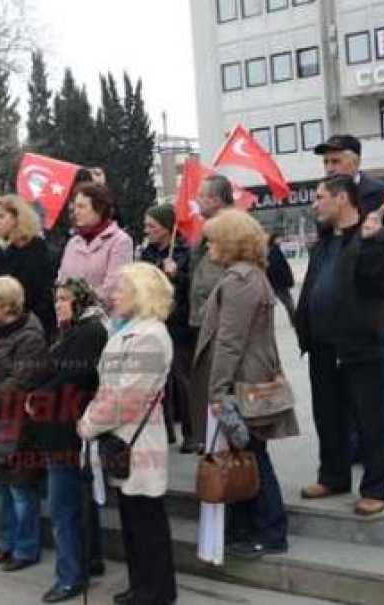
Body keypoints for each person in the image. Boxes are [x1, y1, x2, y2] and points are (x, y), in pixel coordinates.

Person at [295, 175, 384, 516]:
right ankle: (333, 476)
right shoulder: (325, 242)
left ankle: (376, 487)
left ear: (342, 199)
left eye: (320, 197)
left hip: (360, 346)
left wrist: (373, 243)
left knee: (372, 418)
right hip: (323, 347)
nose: (314, 204)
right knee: (328, 415)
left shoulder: (372, 238)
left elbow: (380, 286)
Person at [196, 210, 299, 558]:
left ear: (230, 241)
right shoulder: (250, 275)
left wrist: (216, 391)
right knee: (246, 452)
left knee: (251, 454)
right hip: (250, 378)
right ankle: (246, 529)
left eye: (213, 238)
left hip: (242, 382)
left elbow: (230, 341)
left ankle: (270, 531)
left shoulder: (239, 280)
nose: (208, 244)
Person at [78, 262, 176, 605]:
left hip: (137, 437)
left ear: (140, 294)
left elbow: (129, 397)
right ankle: (141, 586)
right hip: (122, 438)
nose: (113, 295)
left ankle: (157, 592)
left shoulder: (150, 335)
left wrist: (89, 422)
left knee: (147, 522)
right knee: (133, 521)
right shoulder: (128, 330)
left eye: (121, 288)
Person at [314, 134, 384, 460]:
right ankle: (356, 449)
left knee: (381, 385)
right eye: (325, 162)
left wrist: (381, 299)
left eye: (335, 160)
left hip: (373, 312)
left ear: (355, 161)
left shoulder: (381, 195)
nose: (329, 168)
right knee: (345, 388)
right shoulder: (326, 198)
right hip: (339, 318)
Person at [28, 278, 108, 603]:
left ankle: (70, 577)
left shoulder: (89, 332)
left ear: (79, 301)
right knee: (77, 502)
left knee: (63, 507)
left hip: (69, 428)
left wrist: (38, 395)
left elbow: (75, 377)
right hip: (60, 426)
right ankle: (90, 560)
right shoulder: (70, 330)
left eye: (63, 299)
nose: (57, 304)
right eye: (56, 298)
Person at [0, 276, 50, 574]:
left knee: (20, 490)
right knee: (1, 487)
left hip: (18, 427)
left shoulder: (30, 336)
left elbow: (21, 382)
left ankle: (25, 549)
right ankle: (8, 542)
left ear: (5, 305)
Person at [137, 204, 195, 451]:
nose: (147, 230)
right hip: (153, 320)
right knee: (158, 379)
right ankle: (165, 430)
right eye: (146, 225)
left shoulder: (184, 251)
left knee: (182, 378)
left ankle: (192, 433)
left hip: (178, 322)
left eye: (153, 226)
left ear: (167, 228)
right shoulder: (146, 252)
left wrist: (177, 274)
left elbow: (191, 288)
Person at [185, 174, 236, 453]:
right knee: (204, 384)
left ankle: (225, 443)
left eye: (202, 196)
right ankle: (211, 440)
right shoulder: (207, 228)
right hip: (202, 319)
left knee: (219, 387)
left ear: (216, 199)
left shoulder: (231, 229)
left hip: (219, 322)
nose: (196, 201)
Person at [0, 195, 57, 339]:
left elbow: (37, 291)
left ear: (17, 218)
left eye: (1, 216)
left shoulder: (34, 247)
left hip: (28, 325)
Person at [56, 182, 134, 310]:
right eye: (74, 207)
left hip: (105, 322)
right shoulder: (73, 243)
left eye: (81, 207)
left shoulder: (120, 241)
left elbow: (113, 289)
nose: (76, 212)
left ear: (99, 209)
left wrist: (78, 303)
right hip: (72, 322)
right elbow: (62, 281)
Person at [266, 234, 296, 326]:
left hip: (275, 283)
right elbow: (277, 268)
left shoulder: (274, 251)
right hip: (279, 284)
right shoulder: (274, 252)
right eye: (279, 238)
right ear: (274, 240)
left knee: (269, 304)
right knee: (289, 303)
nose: (281, 240)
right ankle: (295, 321)